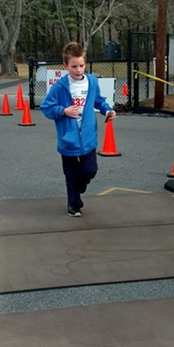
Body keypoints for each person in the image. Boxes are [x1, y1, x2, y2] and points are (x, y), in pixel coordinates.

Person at [41, 41, 116, 216]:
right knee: (71, 175)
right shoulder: (60, 87)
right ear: (65, 66)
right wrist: (63, 111)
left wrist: (108, 110)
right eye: (74, 66)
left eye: (81, 65)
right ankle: (74, 205)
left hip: (88, 136)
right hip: (68, 138)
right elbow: (46, 107)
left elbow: (98, 101)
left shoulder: (91, 81)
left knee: (90, 170)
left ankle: (81, 184)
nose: (79, 70)